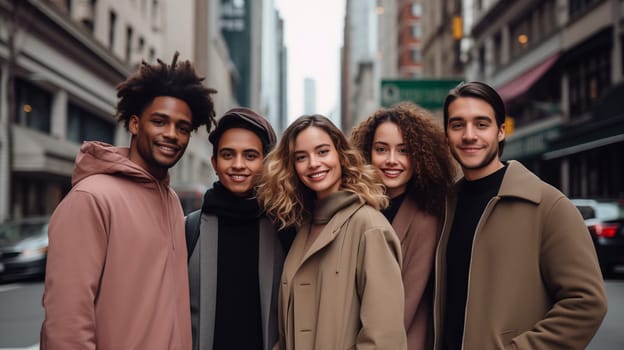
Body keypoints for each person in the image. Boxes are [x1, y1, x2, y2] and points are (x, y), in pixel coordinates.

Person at [40, 53, 217, 350]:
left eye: (182, 127)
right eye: (160, 122)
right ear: (135, 124)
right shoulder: (91, 198)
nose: (171, 134)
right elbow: (67, 323)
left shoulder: (172, 201)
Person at [434, 81, 607, 350]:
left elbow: (587, 303)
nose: (469, 135)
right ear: (447, 134)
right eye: (458, 125)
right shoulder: (444, 206)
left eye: (481, 124)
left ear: (501, 131)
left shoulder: (549, 206)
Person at [257, 114, 407, 350]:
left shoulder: (369, 226)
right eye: (301, 157)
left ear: (341, 155)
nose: (313, 163)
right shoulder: (304, 227)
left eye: (322, 151)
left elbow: (384, 339)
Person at [350, 102, 456, 350]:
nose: (391, 160)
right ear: (367, 153)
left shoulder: (427, 218)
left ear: (419, 157)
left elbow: (404, 305)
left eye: (403, 150)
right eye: (381, 149)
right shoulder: (355, 208)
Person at [186, 107, 285, 350]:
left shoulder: (285, 229)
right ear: (215, 163)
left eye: (250, 156)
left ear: (266, 162)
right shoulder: (189, 228)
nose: (238, 165)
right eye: (228, 155)